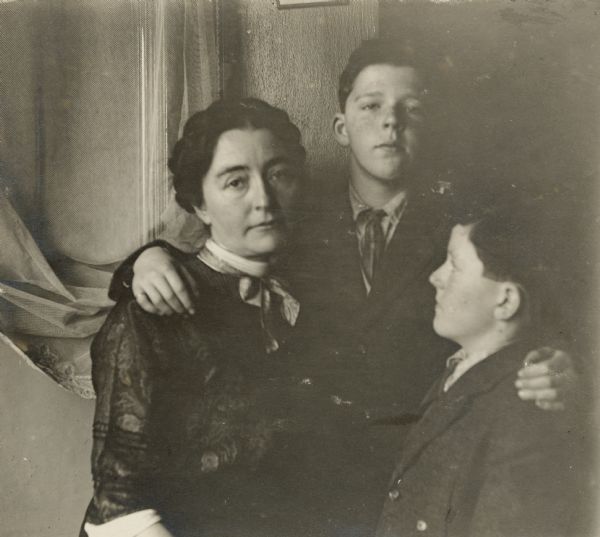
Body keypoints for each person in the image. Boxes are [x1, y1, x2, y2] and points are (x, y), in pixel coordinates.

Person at [109, 41, 577, 535]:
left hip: (410, 476)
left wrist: (562, 364)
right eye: (371, 106)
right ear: (341, 127)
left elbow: (533, 307)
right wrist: (142, 261)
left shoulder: (463, 226)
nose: (390, 123)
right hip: (306, 479)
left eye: (411, 109)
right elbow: (209, 253)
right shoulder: (288, 213)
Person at [81, 98, 307, 537]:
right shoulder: (152, 312)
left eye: (278, 175)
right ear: (199, 204)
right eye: (236, 182)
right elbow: (118, 510)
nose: (264, 199)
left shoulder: (304, 300)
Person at [376, 204, 585, 537]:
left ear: (506, 302)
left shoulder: (527, 405)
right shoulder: (465, 372)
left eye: (455, 265)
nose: (435, 277)